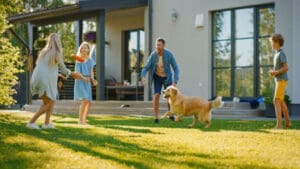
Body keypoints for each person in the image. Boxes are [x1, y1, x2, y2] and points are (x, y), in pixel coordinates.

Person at [27, 33, 82, 129]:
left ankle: (47, 124)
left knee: (51, 101)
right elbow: (64, 70)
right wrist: (75, 74)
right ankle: (31, 122)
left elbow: (46, 69)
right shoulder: (56, 53)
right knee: (48, 104)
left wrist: (59, 75)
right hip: (44, 81)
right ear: (58, 42)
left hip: (36, 78)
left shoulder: (44, 52)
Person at [141, 37, 179, 123]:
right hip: (157, 77)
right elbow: (146, 67)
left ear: (163, 46)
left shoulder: (169, 54)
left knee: (169, 98)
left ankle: (171, 114)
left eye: (159, 45)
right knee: (156, 96)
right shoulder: (153, 55)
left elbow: (176, 68)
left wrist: (175, 81)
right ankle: (156, 117)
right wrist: (143, 77)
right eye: (156, 45)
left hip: (167, 78)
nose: (157, 47)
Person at [268, 33, 292, 129]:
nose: (271, 45)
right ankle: (288, 122)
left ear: (277, 42)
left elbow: (286, 67)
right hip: (280, 80)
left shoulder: (281, 53)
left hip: (282, 80)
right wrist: (274, 72)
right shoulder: (277, 53)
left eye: (272, 43)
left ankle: (279, 125)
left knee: (276, 100)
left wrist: (276, 72)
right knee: (281, 101)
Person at [74, 42, 97, 125]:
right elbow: (77, 73)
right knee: (84, 101)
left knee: (88, 102)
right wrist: (84, 78)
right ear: (80, 49)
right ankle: (80, 120)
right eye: (82, 48)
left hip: (87, 82)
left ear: (88, 50)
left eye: (85, 48)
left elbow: (91, 72)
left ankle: (84, 120)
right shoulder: (78, 60)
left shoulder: (90, 60)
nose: (84, 49)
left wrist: (93, 80)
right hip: (80, 81)